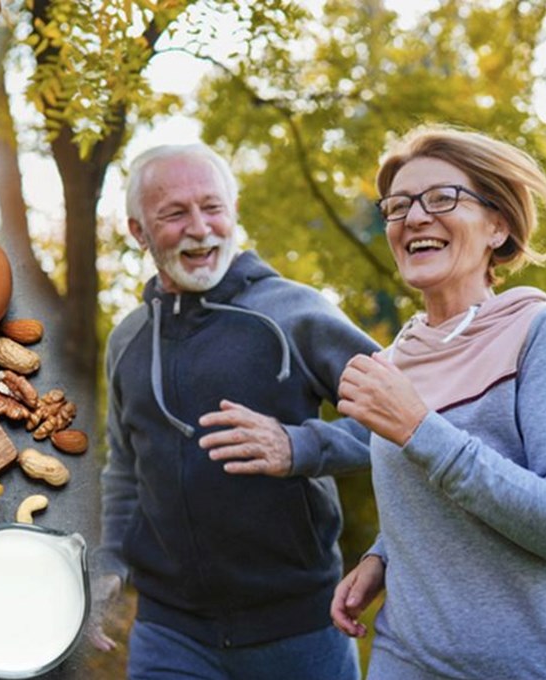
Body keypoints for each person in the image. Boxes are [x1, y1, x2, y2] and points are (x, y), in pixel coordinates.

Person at [330, 125, 546, 679]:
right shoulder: (394, 359)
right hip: (407, 661)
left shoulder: (545, 331)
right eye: (397, 207)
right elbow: (430, 497)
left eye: (442, 198)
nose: (414, 218)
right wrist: (383, 556)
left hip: (542, 667)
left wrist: (421, 429)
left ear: (498, 225)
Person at [90, 143, 379, 679]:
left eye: (212, 207)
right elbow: (127, 469)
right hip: (169, 634)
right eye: (174, 214)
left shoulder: (294, 313)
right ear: (139, 232)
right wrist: (111, 563)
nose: (200, 228)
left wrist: (299, 446)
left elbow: (403, 421)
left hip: (298, 628)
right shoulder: (128, 339)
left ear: (234, 211)